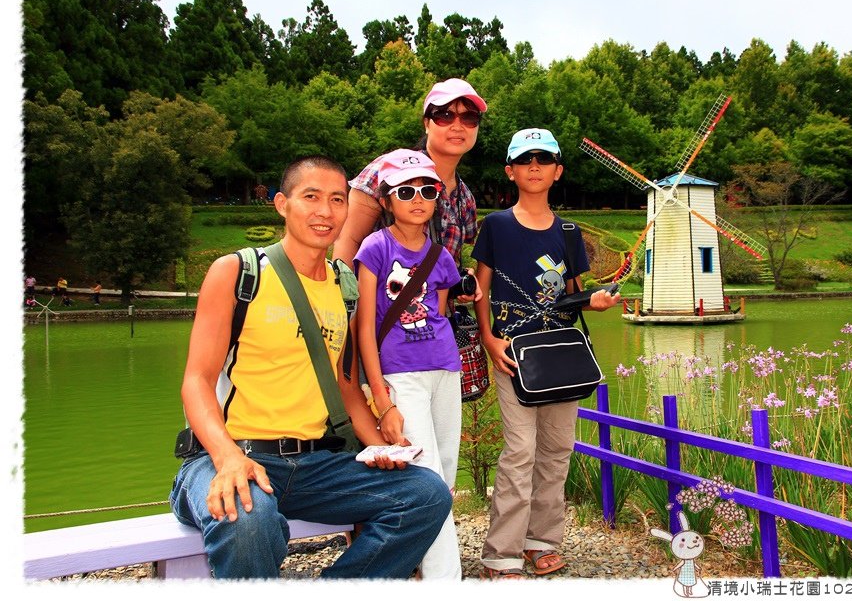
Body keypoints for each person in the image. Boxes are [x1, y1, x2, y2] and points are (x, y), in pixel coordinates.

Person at [169, 155, 452, 579]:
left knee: (426, 494)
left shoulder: (343, 285)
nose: (325, 211)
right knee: (249, 519)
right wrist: (227, 457)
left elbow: (343, 385)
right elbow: (196, 381)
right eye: (311, 197)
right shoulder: (238, 273)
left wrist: (381, 448)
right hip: (231, 452)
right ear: (283, 204)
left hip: (315, 465)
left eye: (337, 199)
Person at [471, 128, 620, 579]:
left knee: (557, 450)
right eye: (525, 159)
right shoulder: (495, 226)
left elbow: (575, 293)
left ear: (557, 171)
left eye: (544, 158)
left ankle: (542, 541)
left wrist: (596, 299)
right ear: (510, 171)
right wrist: (487, 339)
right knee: (519, 451)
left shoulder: (569, 232)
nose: (534, 166)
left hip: (561, 354)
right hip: (514, 353)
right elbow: (479, 288)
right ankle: (502, 553)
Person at [354, 149, 464, 580]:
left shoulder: (442, 256)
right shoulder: (374, 247)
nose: (417, 198)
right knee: (427, 480)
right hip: (400, 373)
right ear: (386, 200)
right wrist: (382, 400)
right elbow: (366, 329)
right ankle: (445, 581)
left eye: (427, 189)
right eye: (406, 190)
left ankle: (425, 568)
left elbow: (440, 315)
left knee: (447, 475)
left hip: (444, 367)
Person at [333, 77, 486, 275]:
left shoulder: (465, 198)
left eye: (469, 117)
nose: (457, 125)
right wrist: (347, 298)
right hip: (378, 303)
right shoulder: (388, 169)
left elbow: (447, 263)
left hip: (435, 306)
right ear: (426, 124)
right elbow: (348, 238)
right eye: (445, 116)